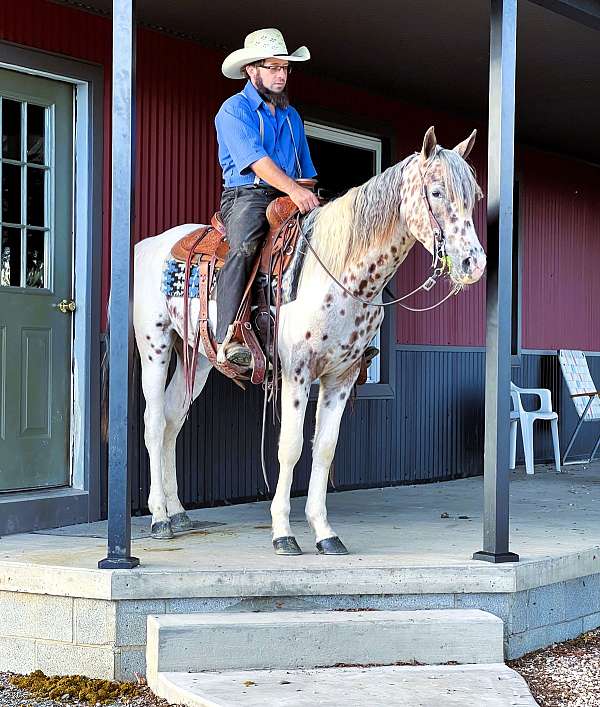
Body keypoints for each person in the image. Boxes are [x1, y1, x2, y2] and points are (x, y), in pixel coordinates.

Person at [214, 28, 320, 366]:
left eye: (285, 68)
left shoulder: (292, 117)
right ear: (251, 70)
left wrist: (308, 192)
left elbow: (308, 169)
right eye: (272, 67)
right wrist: (294, 189)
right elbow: (257, 163)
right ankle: (229, 336)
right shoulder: (234, 110)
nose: (281, 75)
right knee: (244, 244)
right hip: (247, 194)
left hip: (290, 193)